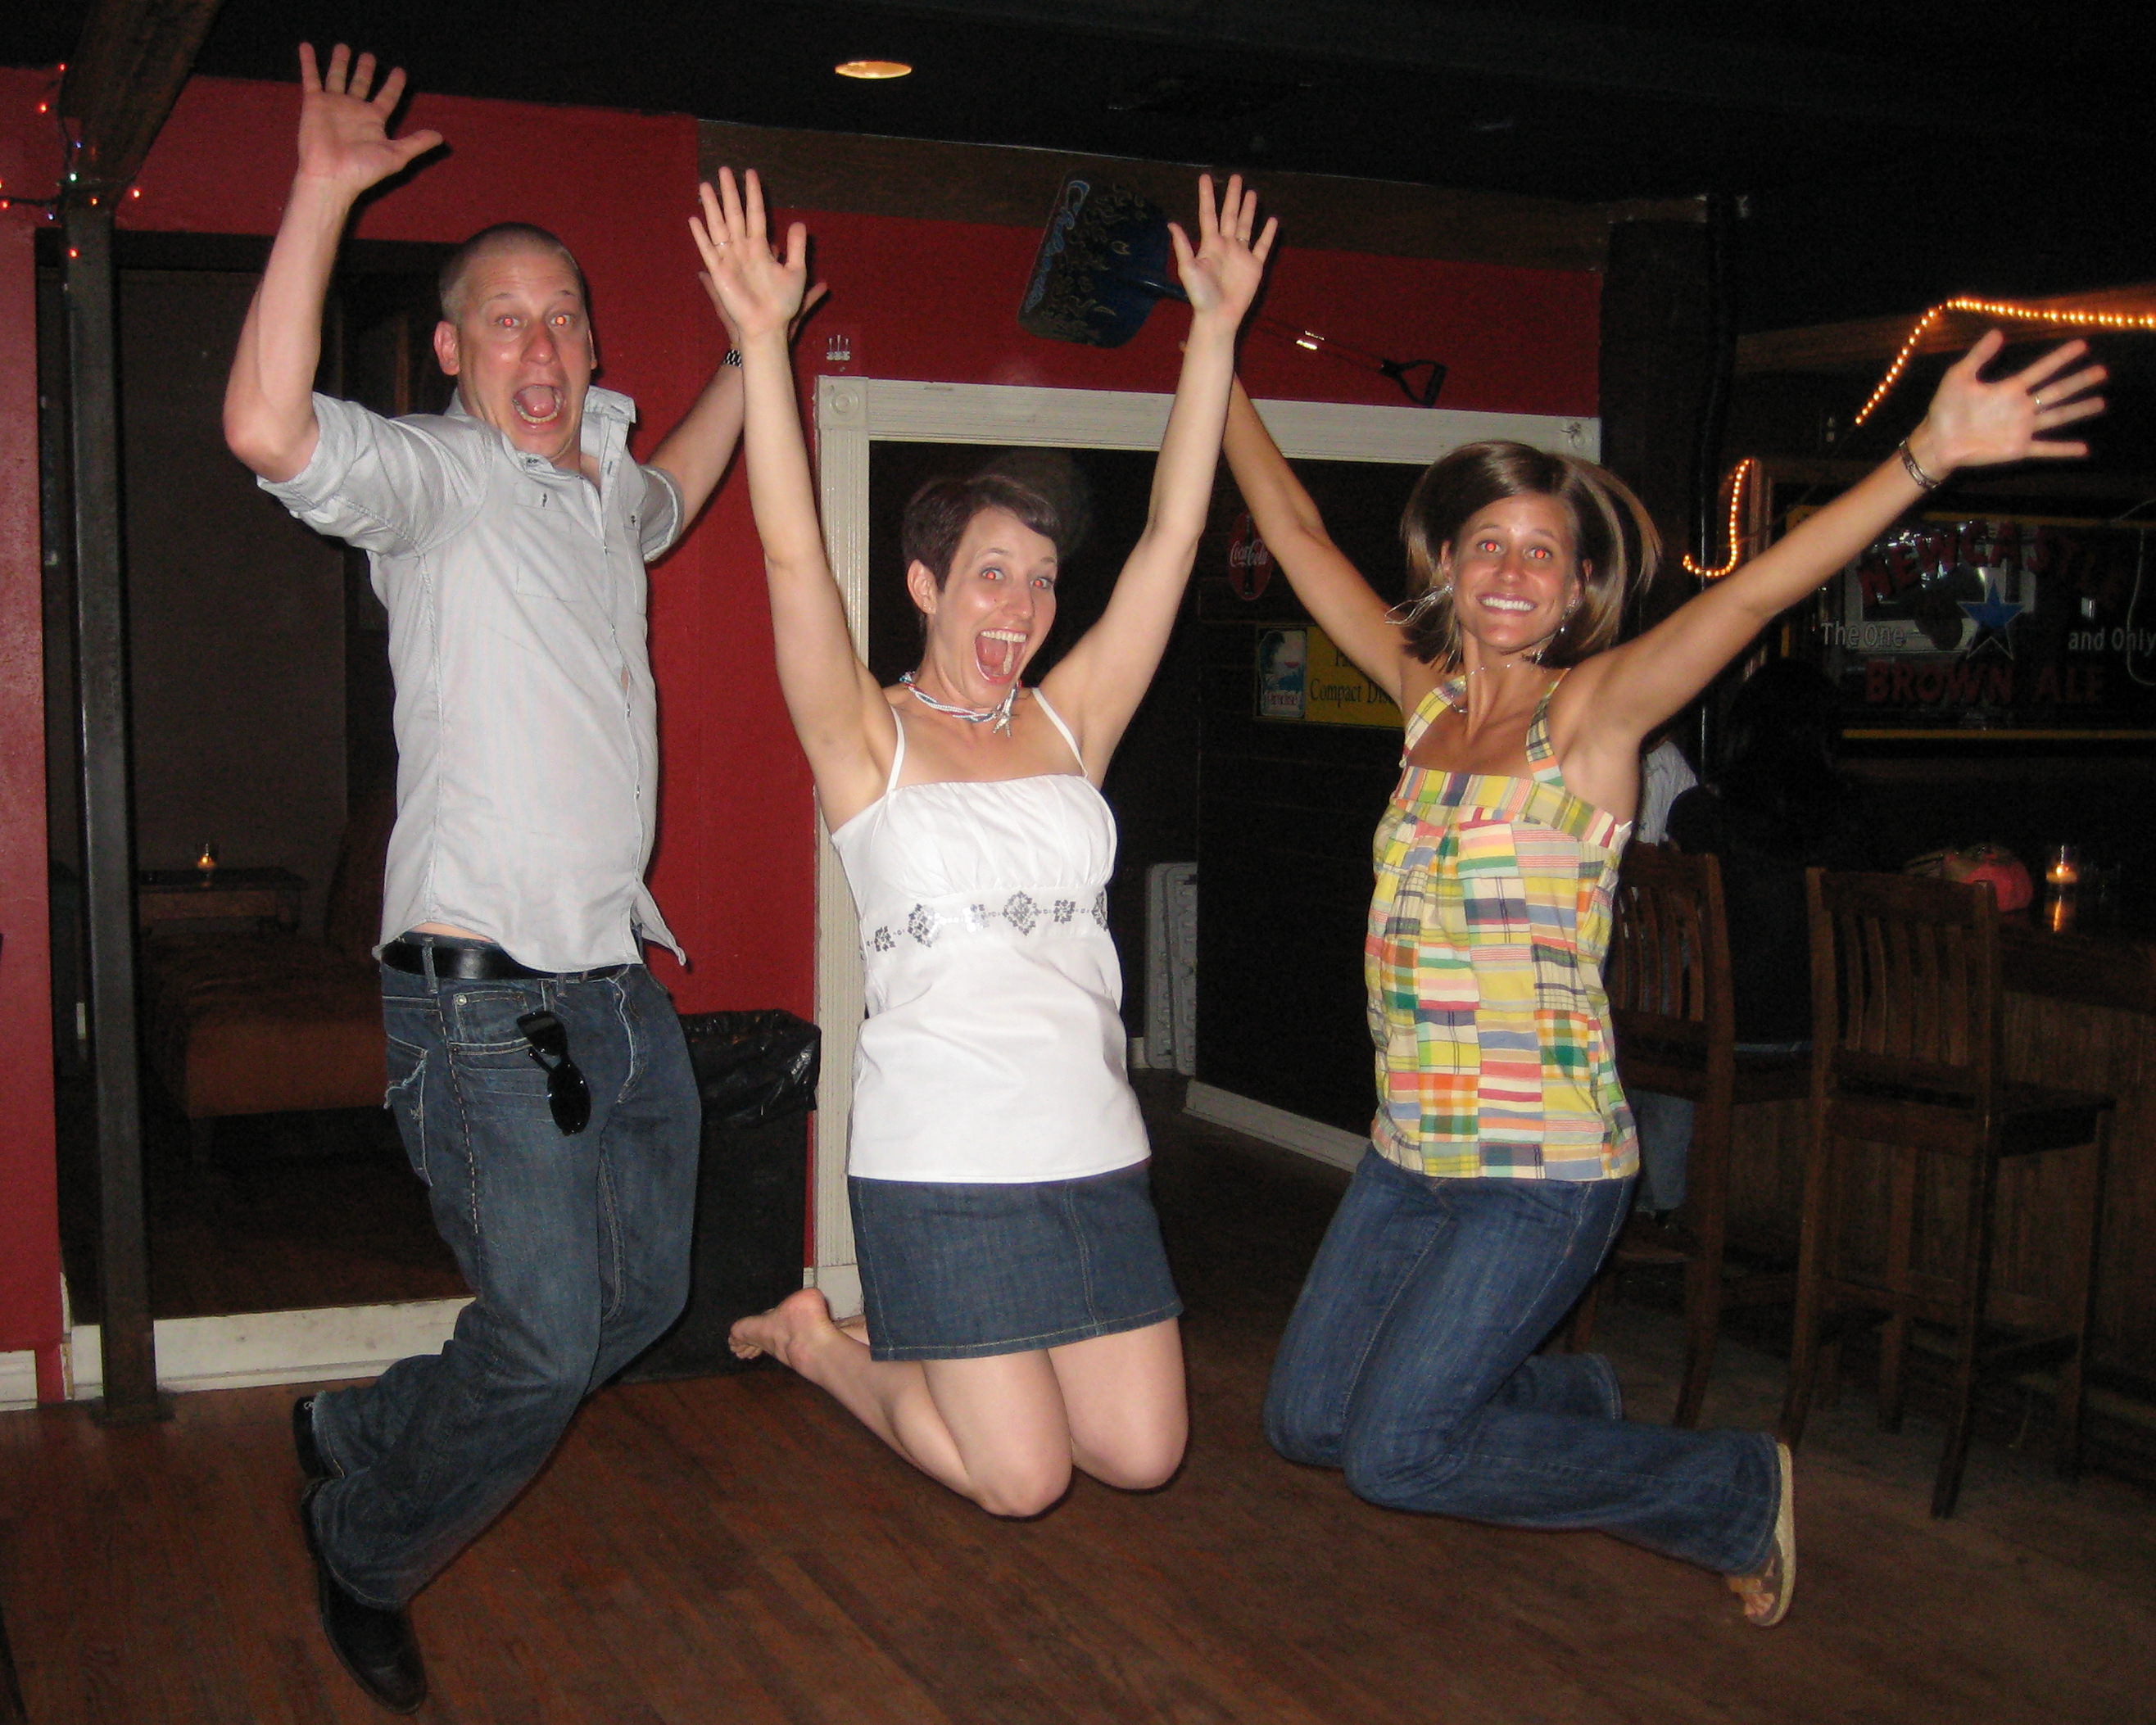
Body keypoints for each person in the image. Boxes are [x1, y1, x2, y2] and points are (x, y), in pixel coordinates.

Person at [1222, 332, 2103, 1625]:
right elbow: (1297, 533)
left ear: (1581, 585)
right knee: (1308, 1420)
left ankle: (1729, 1489)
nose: (1511, 571)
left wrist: (1927, 455)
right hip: (1410, 1153)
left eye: (1543, 553)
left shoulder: (1593, 713)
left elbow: (1744, 601)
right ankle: (1573, 1397)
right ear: (1447, 567)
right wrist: (1216, 348)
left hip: (1542, 1168)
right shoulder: (1425, 704)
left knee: (1396, 1454)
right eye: (1488, 545)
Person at [223, 45, 780, 1713]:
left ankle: (361, 1423)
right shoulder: (438, 484)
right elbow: (264, 424)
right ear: (454, 353)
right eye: (506, 323)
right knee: (544, 1337)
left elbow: (675, 489)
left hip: (616, 987)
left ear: (592, 346)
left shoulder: (603, 488)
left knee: (644, 1300)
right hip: (480, 1003)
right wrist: (322, 191)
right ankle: (363, 1540)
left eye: (566, 319)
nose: (543, 348)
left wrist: (753, 345)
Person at [704, 165, 1272, 1516]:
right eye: (991, 574)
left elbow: (1174, 535)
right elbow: (791, 557)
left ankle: (870, 1343)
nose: (1020, 605)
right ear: (926, 585)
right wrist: (764, 345)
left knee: (1141, 1451)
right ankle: (820, 1343)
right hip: (943, 1160)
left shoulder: (1072, 723)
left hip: (1090, 1142)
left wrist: (1211, 330)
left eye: (1042, 579)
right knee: (1019, 1479)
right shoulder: (866, 739)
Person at [1629, 659, 1875, 1213]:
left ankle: (1652, 1203)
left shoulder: (1701, 815)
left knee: (1650, 1003)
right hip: (1829, 1029)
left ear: (1741, 730)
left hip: (1725, 1027)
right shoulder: (1855, 818)